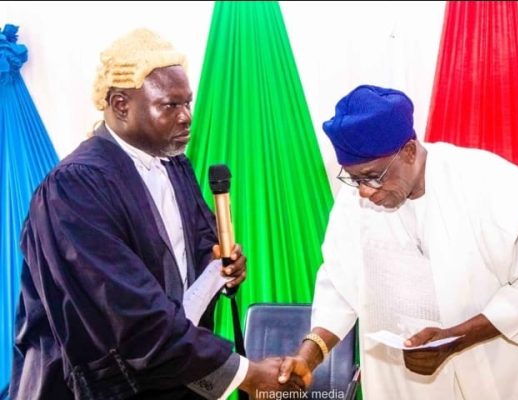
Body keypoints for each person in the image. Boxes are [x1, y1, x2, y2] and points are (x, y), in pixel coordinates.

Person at [9, 29, 307, 400]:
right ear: (121, 105)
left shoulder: (174, 164)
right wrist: (245, 374)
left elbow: (197, 244)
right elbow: (125, 311)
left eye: (188, 103)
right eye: (170, 106)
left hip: (175, 375)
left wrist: (220, 267)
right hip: (107, 389)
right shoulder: (74, 188)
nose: (187, 117)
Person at [279, 85, 518, 399]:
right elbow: (340, 286)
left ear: (409, 151)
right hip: (406, 385)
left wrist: (456, 338)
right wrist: (309, 356)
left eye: (373, 176)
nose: (364, 191)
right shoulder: (354, 204)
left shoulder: (487, 184)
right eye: (354, 179)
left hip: (496, 372)